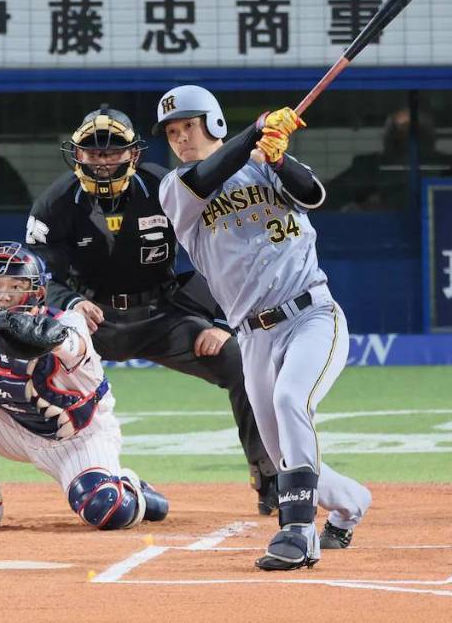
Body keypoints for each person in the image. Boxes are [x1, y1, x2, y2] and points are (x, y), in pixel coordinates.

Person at [154, 85, 372, 572]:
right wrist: (255, 131)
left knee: (292, 401)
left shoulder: (262, 164)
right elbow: (208, 175)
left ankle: (298, 531)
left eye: (188, 125)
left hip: (311, 314)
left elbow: (312, 194)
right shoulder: (176, 188)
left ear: (213, 123)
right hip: (252, 336)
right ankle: (351, 502)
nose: (181, 137)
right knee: (281, 452)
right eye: (171, 132)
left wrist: (276, 158)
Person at [23, 104, 279, 516]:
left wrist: (218, 321)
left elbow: (221, 251)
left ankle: (270, 478)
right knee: (6, 367)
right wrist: (71, 303)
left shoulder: (166, 186)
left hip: (163, 315)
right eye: (93, 152)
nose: (102, 162)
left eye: (112, 152)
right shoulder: (55, 203)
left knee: (243, 364)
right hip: (90, 323)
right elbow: (38, 277)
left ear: (133, 154)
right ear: (77, 154)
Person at [0, 240, 168, 532]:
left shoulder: (69, 322)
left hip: (77, 435)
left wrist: (48, 338)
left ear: (36, 291)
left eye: (16, 286)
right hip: (14, 427)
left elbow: (73, 346)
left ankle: (133, 488)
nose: (4, 295)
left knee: (106, 508)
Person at [323, 106, 452, 211]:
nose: (409, 142)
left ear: (431, 138)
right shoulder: (367, 167)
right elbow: (325, 200)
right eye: (399, 134)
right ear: (388, 139)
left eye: (417, 134)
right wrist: (362, 207)